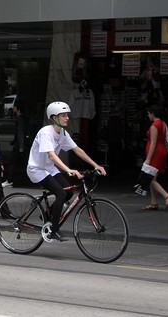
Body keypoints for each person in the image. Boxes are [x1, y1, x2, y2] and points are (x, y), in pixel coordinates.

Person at [27, 101, 106, 242]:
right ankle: (54, 231)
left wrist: (96, 165)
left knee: (69, 192)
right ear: (54, 117)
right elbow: (51, 154)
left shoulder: (63, 133)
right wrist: (68, 169)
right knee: (61, 193)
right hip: (37, 170)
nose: (67, 118)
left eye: (67, 115)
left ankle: (47, 213)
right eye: (63, 115)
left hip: (49, 168)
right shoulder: (46, 132)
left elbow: (77, 150)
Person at [142, 104, 168, 210]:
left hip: (156, 153)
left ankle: (166, 195)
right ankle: (154, 202)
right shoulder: (163, 124)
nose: (147, 115)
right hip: (162, 151)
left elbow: (153, 143)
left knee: (149, 178)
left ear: (153, 114)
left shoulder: (155, 125)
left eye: (148, 113)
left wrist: (148, 159)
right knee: (153, 177)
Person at [2, 100, 27, 188]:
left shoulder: (20, 119)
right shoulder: (22, 119)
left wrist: (21, 147)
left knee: (12, 163)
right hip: (18, 144)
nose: (13, 108)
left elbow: (20, 133)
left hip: (18, 146)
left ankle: (9, 180)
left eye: (14, 107)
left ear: (17, 108)